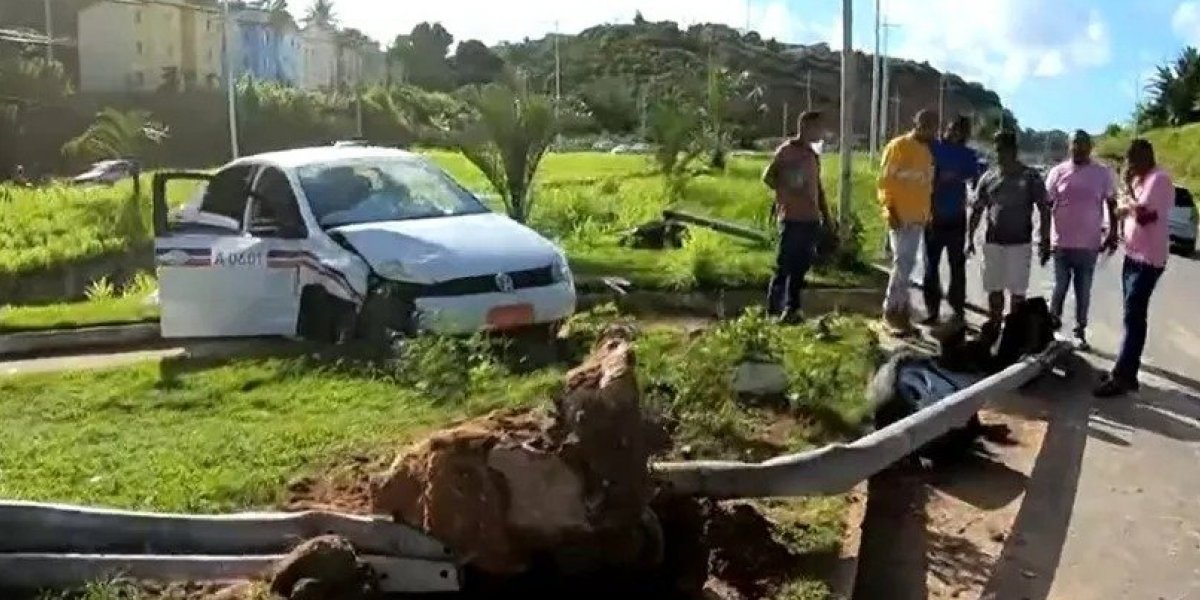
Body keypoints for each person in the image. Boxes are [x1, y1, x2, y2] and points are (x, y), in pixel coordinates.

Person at [1094, 139, 1174, 398]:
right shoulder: (1140, 181)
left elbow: (1143, 216)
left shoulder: (1158, 179)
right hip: (1132, 255)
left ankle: (1124, 375)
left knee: (1134, 314)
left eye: (1132, 159)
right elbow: (1121, 211)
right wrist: (1128, 196)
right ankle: (1127, 369)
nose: (1129, 165)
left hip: (1148, 259)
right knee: (1132, 313)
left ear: (1145, 157)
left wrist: (1127, 201)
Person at [1044, 130, 1118, 350]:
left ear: (1090, 147)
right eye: (1075, 143)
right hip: (1061, 242)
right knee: (1059, 287)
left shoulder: (1102, 173)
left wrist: (1113, 233)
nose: (1079, 147)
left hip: (1089, 244)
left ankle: (1079, 332)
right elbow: (1046, 205)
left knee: (1083, 289)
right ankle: (1051, 327)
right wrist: (1044, 237)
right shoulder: (1058, 172)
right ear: (1069, 146)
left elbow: (1111, 205)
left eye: (1083, 144)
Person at [967, 131, 1050, 325]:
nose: (1000, 155)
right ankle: (994, 327)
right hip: (993, 243)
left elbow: (1044, 210)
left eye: (1004, 150)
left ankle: (1013, 335)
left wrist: (1045, 241)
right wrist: (968, 238)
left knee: (1018, 294)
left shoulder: (1031, 177)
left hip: (1020, 245)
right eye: (997, 150)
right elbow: (977, 210)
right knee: (994, 290)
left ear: (1013, 150)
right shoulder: (988, 177)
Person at [762, 111, 834, 323]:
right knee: (784, 264)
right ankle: (773, 311)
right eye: (817, 128)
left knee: (801, 266)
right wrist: (785, 191)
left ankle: (792, 309)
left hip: (810, 218)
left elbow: (818, 188)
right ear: (805, 127)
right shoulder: (786, 151)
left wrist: (827, 217)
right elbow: (768, 177)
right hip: (791, 217)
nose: (821, 133)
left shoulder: (812, 155)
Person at [878, 108, 938, 334]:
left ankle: (902, 311)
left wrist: (927, 215)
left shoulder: (925, 152)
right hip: (900, 216)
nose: (934, 131)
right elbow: (885, 183)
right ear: (919, 124)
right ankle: (891, 312)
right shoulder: (898, 147)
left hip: (917, 218)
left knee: (908, 267)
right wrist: (889, 211)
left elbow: (925, 187)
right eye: (930, 126)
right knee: (901, 266)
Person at [923, 115, 981, 325]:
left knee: (957, 265)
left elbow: (973, 177)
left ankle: (957, 308)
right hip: (933, 215)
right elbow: (925, 171)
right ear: (947, 128)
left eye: (960, 130)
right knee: (931, 265)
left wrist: (955, 177)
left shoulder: (968, 154)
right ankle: (932, 310)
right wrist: (939, 177)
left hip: (957, 215)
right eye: (952, 128)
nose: (955, 133)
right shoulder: (934, 147)